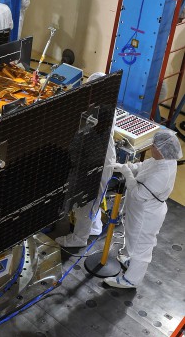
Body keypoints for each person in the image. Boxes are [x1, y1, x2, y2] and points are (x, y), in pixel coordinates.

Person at [104, 129, 182, 289]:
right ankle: (133, 263)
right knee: (134, 240)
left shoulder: (164, 173)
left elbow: (139, 194)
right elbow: (143, 166)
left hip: (147, 214)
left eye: (154, 145)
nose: (151, 147)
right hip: (140, 210)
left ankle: (131, 280)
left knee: (141, 247)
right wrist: (128, 166)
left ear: (161, 149)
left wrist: (127, 174)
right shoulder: (162, 160)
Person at [56, 72, 117, 248]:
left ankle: (79, 239)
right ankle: (95, 226)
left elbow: (85, 138)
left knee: (86, 201)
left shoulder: (99, 112)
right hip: (100, 160)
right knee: (95, 200)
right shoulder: (107, 105)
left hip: (95, 163)